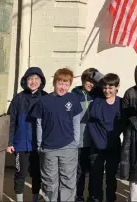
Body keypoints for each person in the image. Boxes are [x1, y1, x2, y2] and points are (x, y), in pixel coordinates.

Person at [30, 68, 83, 202]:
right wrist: (39, 144)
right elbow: (39, 124)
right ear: (54, 83)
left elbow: (76, 122)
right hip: (48, 148)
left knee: (68, 180)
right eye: (60, 83)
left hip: (69, 146)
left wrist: (76, 142)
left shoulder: (73, 99)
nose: (63, 87)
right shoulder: (44, 101)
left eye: (66, 84)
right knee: (49, 181)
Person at [6, 67, 47, 202]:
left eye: (36, 79)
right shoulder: (18, 98)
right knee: (20, 174)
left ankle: (35, 198)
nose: (33, 82)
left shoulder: (46, 98)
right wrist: (9, 142)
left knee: (37, 174)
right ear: (25, 81)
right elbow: (11, 122)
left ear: (41, 81)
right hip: (21, 145)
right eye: (30, 79)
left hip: (39, 145)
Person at [87, 73, 124, 202]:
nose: (107, 90)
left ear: (117, 87)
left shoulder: (121, 103)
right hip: (97, 146)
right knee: (96, 177)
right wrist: (98, 141)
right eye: (105, 87)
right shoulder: (97, 102)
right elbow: (91, 124)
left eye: (110, 87)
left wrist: (114, 137)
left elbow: (122, 124)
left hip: (113, 145)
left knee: (111, 177)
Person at [72, 68, 103, 202]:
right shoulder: (74, 94)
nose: (91, 84)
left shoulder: (98, 95)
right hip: (79, 140)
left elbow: (105, 82)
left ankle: (92, 196)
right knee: (79, 172)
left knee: (93, 172)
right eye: (88, 80)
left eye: (93, 81)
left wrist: (98, 79)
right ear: (83, 80)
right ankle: (78, 196)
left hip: (93, 141)